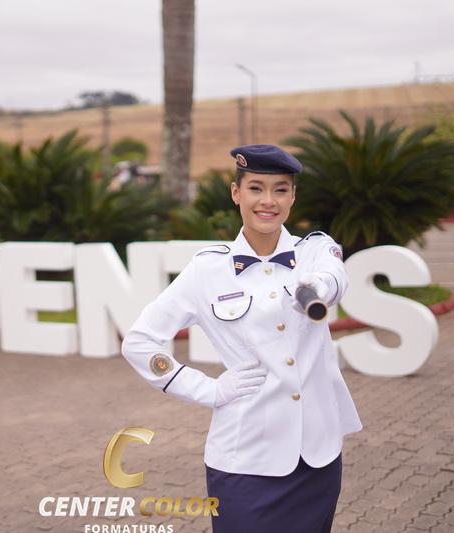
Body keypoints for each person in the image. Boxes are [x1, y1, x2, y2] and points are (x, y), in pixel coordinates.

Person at [121, 144, 363, 533]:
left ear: (293, 196)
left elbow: (334, 275)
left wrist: (317, 287)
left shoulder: (315, 250)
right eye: (255, 188)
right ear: (236, 193)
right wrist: (209, 390)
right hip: (244, 459)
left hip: (317, 459)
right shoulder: (207, 271)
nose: (268, 201)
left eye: (280, 189)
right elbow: (139, 342)